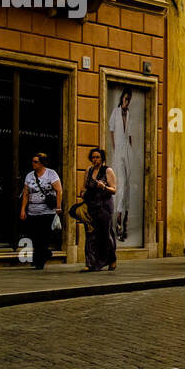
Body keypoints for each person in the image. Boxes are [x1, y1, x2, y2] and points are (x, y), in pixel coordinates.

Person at [19, 151, 63, 270]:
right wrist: (23, 209)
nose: (33, 164)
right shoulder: (29, 176)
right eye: (33, 161)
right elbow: (26, 194)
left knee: (43, 237)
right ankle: (44, 254)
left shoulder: (51, 174)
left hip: (47, 211)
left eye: (36, 162)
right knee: (34, 236)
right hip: (33, 210)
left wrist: (58, 207)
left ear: (42, 163)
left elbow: (59, 190)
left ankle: (39, 261)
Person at [81, 147, 118, 272]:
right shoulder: (89, 170)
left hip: (104, 206)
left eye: (97, 157)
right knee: (91, 234)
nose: (95, 160)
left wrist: (104, 187)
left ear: (102, 158)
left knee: (105, 235)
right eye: (93, 157)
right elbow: (84, 187)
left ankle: (111, 259)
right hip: (91, 205)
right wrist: (83, 193)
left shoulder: (107, 170)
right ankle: (91, 263)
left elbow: (114, 190)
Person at [108, 87, 135, 242]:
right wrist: (115, 149)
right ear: (121, 99)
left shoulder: (129, 114)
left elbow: (129, 135)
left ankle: (124, 221)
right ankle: (118, 219)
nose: (126, 102)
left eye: (128, 99)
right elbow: (112, 131)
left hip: (127, 151)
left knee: (128, 187)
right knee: (122, 184)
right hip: (119, 151)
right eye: (125, 99)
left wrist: (131, 151)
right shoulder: (116, 113)